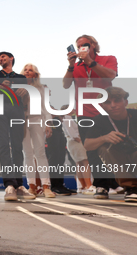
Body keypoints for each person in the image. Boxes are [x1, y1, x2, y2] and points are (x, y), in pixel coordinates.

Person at [63, 34, 121, 199]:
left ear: (94, 45)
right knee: (92, 150)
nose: (82, 48)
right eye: (79, 45)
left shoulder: (108, 58)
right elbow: (65, 84)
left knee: (112, 147)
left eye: (86, 44)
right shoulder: (76, 66)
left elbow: (110, 75)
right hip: (84, 113)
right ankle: (101, 185)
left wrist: (90, 62)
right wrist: (70, 65)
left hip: (105, 111)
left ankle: (117, 182)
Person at [0, 52, 35, 201]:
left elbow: (27, 99)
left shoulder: (21, 78)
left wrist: (25, 92)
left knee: (17, 146)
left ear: (11, 58)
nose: (1, 59)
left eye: (3, 56)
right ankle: (9, 185)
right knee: (3, 145)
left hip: (17, 110)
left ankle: (19, 185)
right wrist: (0, 87)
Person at [84, 87, 137, 202]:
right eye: (107, 102)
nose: (113, 105)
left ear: (126, 102)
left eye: (117, 100)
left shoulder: (135, 116)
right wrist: (104, 138)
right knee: (103, 148)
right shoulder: (99, 120)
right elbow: (87, 145)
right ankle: (131, 187)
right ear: (102, 106)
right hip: (117, 156)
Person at [19, 64, 55, 198]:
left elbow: (46, 108)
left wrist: (48, 123)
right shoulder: (18, 87)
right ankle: (32, 186)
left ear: (35, 74)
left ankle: (46, 186)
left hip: (37, 119)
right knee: (27, 154)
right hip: (23, 120)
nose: (27, 72)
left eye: (31, 70)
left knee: (40, 152)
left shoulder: (42, 88)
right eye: (25, 70)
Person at [60, 106, 95, 194]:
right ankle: (88, 185)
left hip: (72, 142)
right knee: (85, 162)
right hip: (76, 142)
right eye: (72, 108)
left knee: (79, 164)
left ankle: (82, 186)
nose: (74, 109)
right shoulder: (67, 118)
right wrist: (80, 139)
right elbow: (72, 133)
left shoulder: (67, 118)